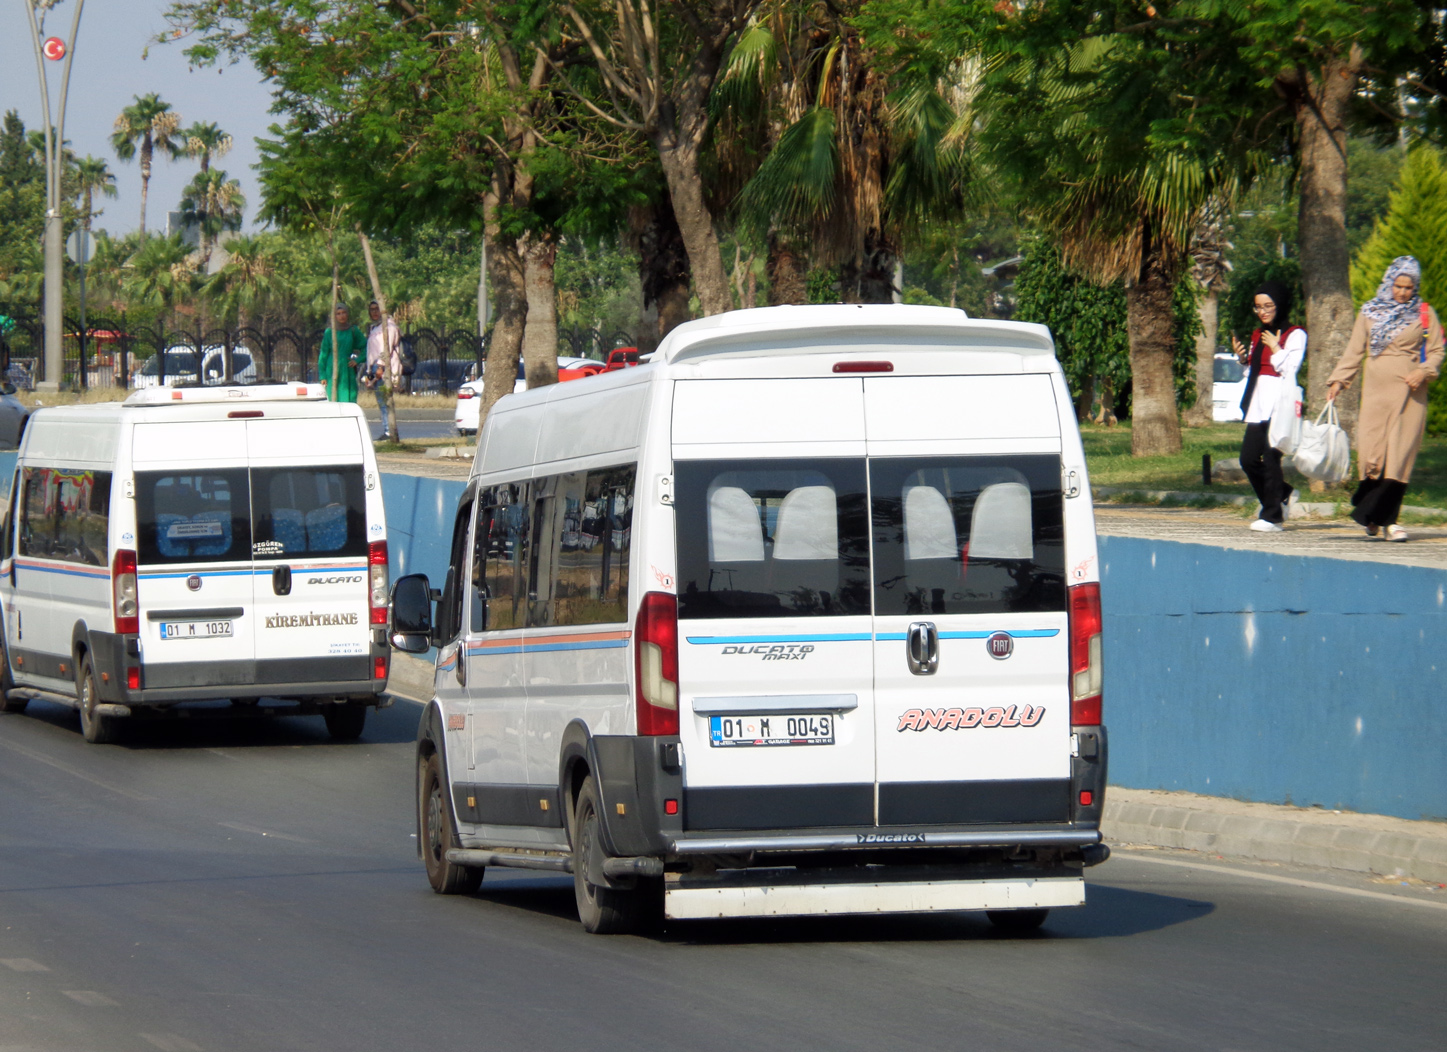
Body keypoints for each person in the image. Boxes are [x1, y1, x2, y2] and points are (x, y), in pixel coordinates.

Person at [1326, 256, 1444, 542]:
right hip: (1376, 394)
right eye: (1398, 285)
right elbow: (1355, 351)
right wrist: (1339, 381)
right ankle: (1371, 512)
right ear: (1389, 282)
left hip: (1410, 395)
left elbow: (1438, 350)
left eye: (1408, 287)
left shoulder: (1424, 313)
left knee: (1399, 457)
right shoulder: (1369, 312)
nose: (1403, 292)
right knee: (1371, 455)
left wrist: (1423, 370)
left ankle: (1390, 522)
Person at [1229, 280, 1307, 533]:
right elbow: (1252, 370)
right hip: (1259, 401)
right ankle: (1282, 493)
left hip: (1280, 401)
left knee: (1272, 458)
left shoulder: (1295, 334)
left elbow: (1290, 369)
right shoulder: (1257, 334)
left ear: (1280, 305)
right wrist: (1243, 359)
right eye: (1258, 307)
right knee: (1248, 458)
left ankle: (1272, 516)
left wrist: (1275, 346)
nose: (1262, 312)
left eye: (1268, 306)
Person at [363, 300, 401, 440]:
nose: (374, 312)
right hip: (375, 368)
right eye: (371, 309)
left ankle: (389, 431)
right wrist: (369, 371)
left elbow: (387, 348)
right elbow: (370, 352)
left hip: (385, 368)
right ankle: (387, 429)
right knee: (381, 401)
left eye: (376, 309)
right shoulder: (375, 328)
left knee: (386, 400)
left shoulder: (389, 327)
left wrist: (380, 366)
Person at [317, 305, 365, 403]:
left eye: (344, 313)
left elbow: (366, 347)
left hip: (347, 369)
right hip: (331, 369)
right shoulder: (329, 332)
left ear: (347, 314)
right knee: (333, 398)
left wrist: (357, 360)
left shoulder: (353, 330)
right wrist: (323, 376)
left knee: (349, 397)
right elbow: (323, 355)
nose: (341, 316)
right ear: (334, 316)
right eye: (338, 314)